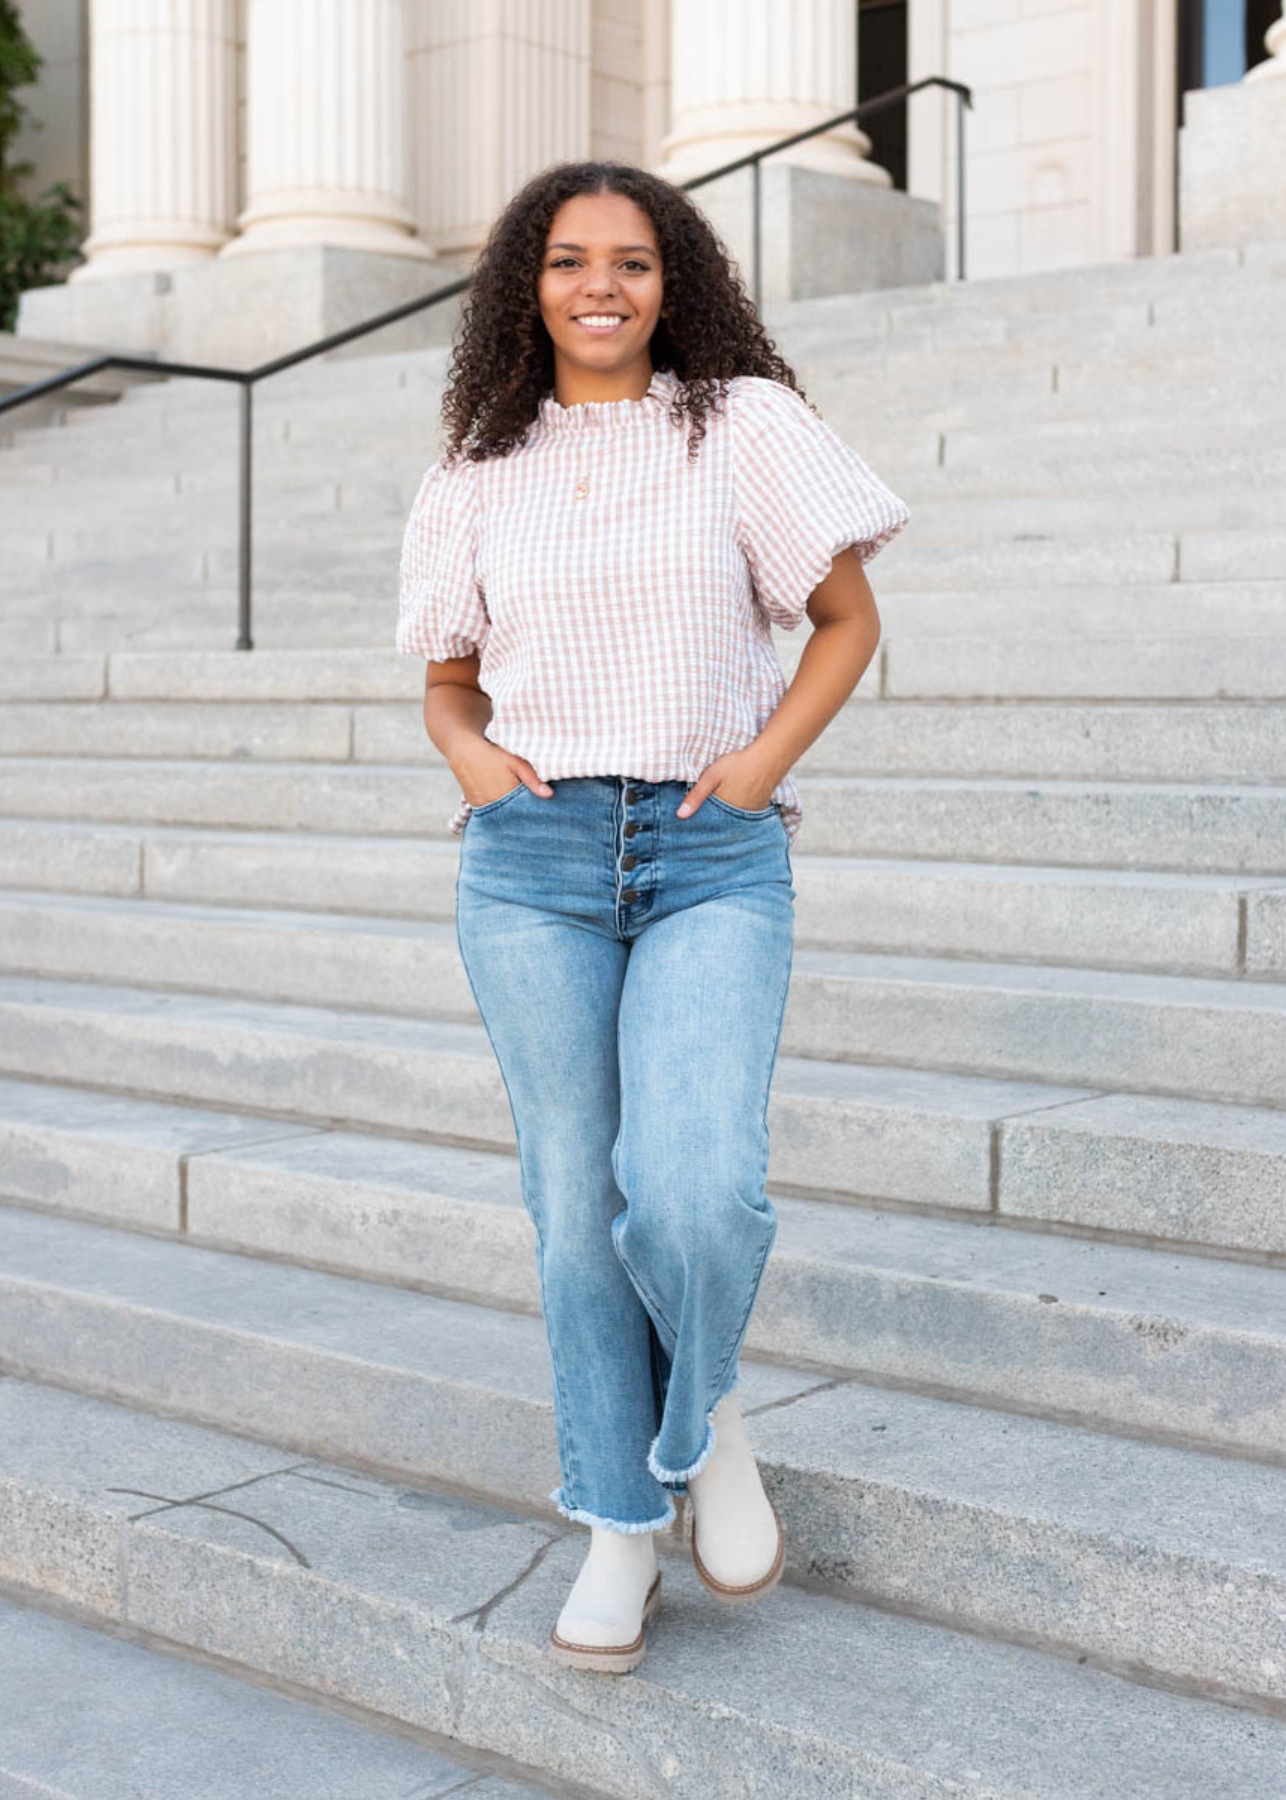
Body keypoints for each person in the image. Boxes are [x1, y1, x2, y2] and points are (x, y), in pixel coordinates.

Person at [396, 160, 910, 1675]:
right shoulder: (473, 471)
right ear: (525, 287)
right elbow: (444, 680)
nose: (599, 284)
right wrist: (474, 761)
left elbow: (844, 620)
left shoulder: (738, 426)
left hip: (705, 855)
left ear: (671, 280)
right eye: (567, 261)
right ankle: (622, 1526)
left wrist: (757, 767)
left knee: (689, 1196)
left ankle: (705, 1409)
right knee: (574, 1215)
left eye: (631, 259)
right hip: (532, 866)